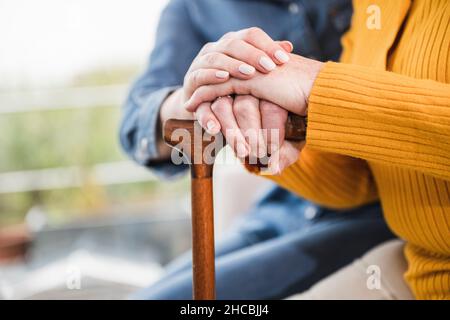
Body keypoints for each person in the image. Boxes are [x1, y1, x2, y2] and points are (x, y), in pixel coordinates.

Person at [120, 0, 395, 300]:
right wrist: (198, 97)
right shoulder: (194, 7)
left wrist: (297, 93)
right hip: (279, 209)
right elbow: (135, 123)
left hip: (381, 205)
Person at [184, 0, 450, 299]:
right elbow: (360, 176)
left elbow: (324, 94)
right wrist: (260, 132)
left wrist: (317, 88)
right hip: (421, 273)